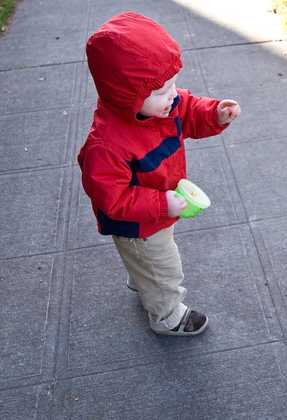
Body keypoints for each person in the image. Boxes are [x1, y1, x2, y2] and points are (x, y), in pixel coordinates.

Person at [77, 11, 240, 336]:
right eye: (161, 90)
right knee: (164, 269)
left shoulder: (164, 105)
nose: (174, 94)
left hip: (155, 214)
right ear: (126, 95)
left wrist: (216, 114)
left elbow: (191, 110)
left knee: (148, 262)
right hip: (137, 223)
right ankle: (168, 317)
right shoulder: (107, 145)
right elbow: (113, 199)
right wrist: (162, 204)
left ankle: (142, 278)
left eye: (173, 83)